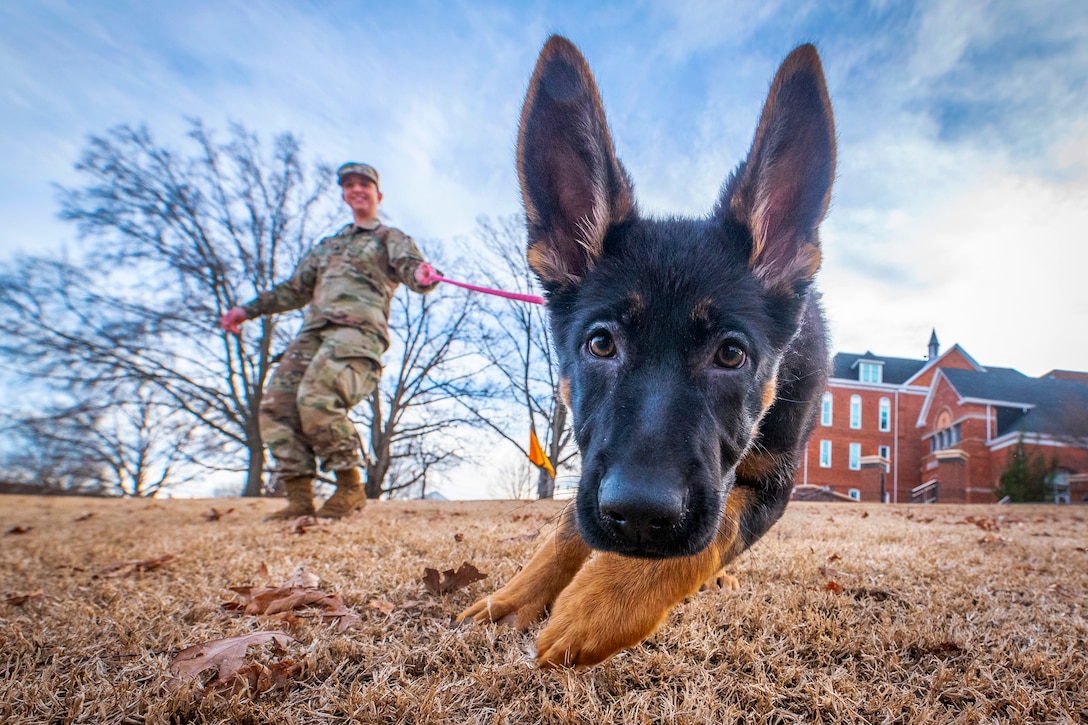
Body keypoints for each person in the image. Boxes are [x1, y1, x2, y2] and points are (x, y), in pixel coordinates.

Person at [221, 162, 439, 520]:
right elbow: (294, 289)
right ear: (344, 194)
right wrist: (246, 310)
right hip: (313, 334)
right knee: (276, 406)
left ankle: (349, 487)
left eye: (364, 184)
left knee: (317, 399)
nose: (356, 189)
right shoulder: (328, 247)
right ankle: (298, 497)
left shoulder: (388, 237)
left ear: (377, 194)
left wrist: (421, 274)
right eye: (349, 184)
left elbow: (412, 268)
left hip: (357, 333)